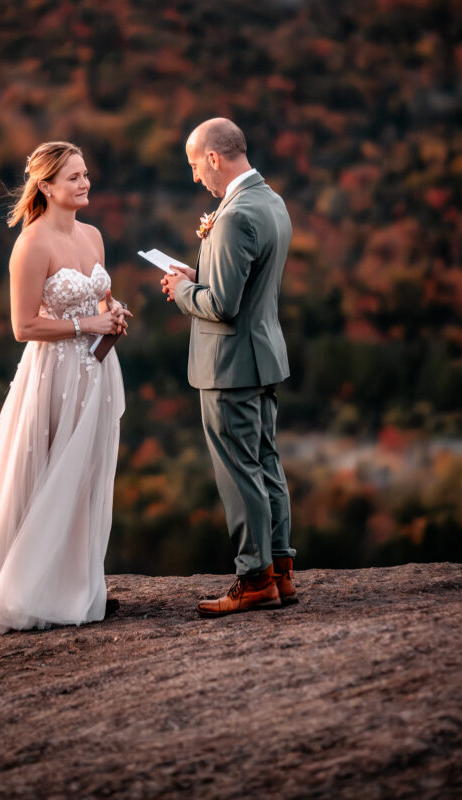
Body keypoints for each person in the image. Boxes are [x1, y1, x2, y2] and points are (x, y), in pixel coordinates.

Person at [0, 141, 131, 635]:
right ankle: (25, 594)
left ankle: (77, 589)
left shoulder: (93, 235)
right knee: (46, 475)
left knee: (85, 476)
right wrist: (88, 324)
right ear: (45, 186)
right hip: (54, 375)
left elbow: (100, 297)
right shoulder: (31, 244)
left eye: (85, 174)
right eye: (73, 177)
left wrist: (113, 313)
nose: (85, 183)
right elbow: (23, 326)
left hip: (97, 372)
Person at [162, 118, 296, 617]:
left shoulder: (235, 214)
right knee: (266, 464)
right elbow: (247, 281)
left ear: (214, 158)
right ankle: (280, 571)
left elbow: (221, 305)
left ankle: (254, 578)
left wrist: (182, 291)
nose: (196, 176)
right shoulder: (271, 202)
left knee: (240, 472)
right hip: (263, 357)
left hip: (229, 365)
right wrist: (200, 274)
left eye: (196, 165)